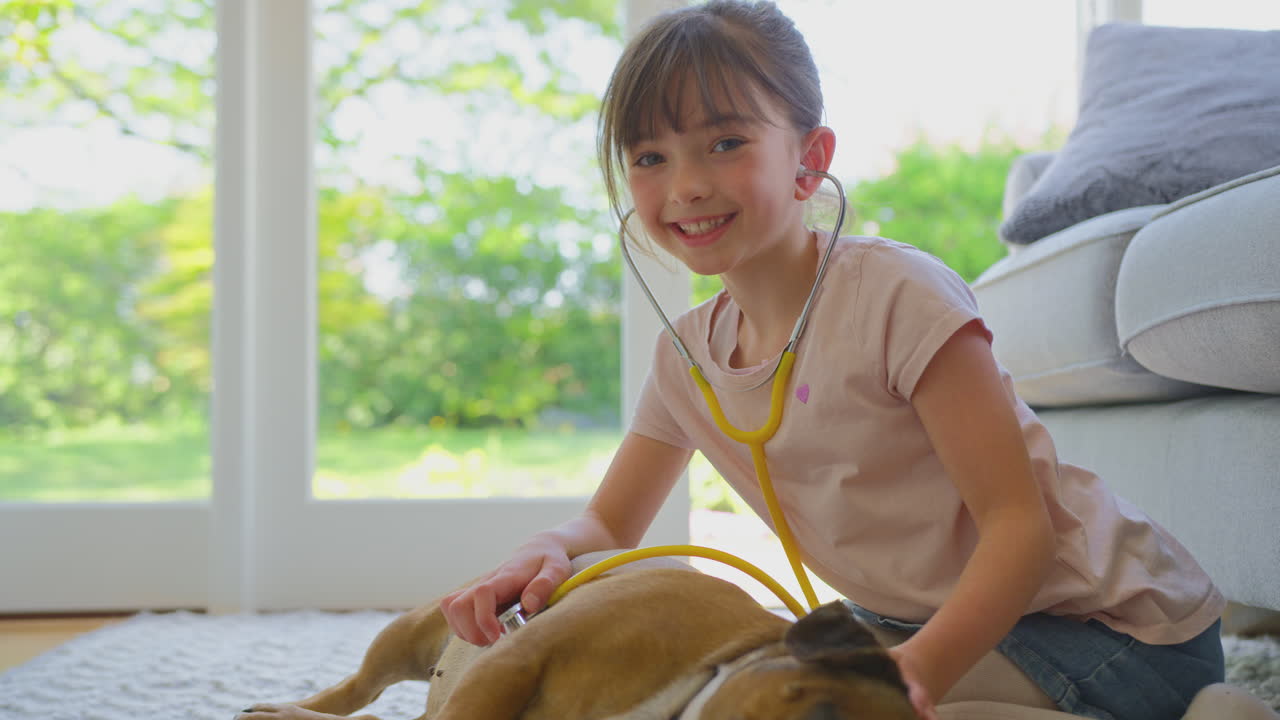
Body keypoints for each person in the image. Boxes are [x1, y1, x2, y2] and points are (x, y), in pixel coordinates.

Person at [441, 2, 1233, 719]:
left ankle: (1214, 713)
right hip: (909, 625)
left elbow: (1017, 529)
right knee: (756, 686)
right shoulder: (685, 357)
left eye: (724, 143)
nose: (684, 185)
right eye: (648, 157)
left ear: (809, 160)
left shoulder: (898, 297)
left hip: (1108, 628)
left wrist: (915, 670)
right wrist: (547, 549)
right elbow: (611, 524)